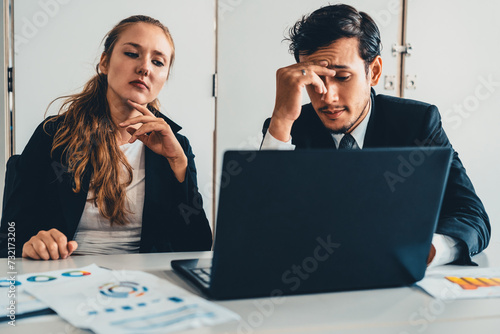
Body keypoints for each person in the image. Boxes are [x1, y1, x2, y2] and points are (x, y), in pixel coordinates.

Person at [260, 4, 490, 266]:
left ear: (375, 72)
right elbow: (258, 225)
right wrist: (280, 119)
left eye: (343, 77)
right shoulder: (290, 129)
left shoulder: (417, 124)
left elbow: (472, 216)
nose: (327, 96)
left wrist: (429, 249)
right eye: (314, 81)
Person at [0, 15, 212, 260]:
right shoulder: (53, 135)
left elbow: (198, 246)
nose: (145, 67)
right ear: (104, 62)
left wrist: (179, 164)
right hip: (67, 277)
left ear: (163, 79)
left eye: (158, 62)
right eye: (132, 53)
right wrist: (28, 245)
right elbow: (9, 237)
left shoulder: (175, 146)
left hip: (146, 284)